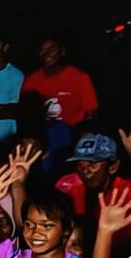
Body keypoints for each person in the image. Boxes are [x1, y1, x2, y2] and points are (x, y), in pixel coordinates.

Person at [22, 34, 98, 162]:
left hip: (72, 134)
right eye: (42, 50)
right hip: (41, 136)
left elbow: (91, 115)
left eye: (51, 49)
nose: (46, 54)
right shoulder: (31, 81)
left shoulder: (79, 78)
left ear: (62, 51)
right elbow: (25, 116)